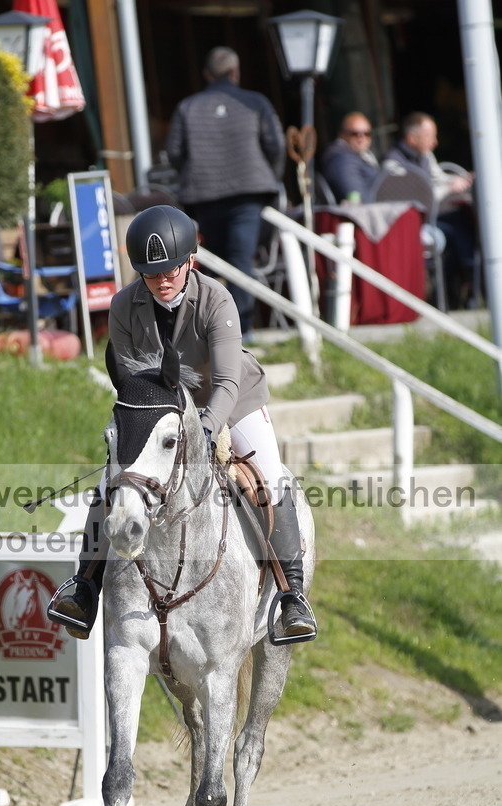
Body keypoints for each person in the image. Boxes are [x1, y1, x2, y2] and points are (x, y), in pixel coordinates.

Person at [50, 206, 316, 645]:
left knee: (269, 478)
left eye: (171, 268)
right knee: (115, 481)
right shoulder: (123, 306)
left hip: (231, 402)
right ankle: (84, 587)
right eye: (151, 273)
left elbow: (228, 381)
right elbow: (131, 382)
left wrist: (206, 432)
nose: (163, 280)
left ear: (190, 260)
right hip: (163, 408)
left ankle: (292, 598)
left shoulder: (217, 300)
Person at [164, 47, 285, 338]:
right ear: (235, 72)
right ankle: (242, 329)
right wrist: (272, 177)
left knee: (212, 262)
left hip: (205, 194)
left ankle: (212, 328)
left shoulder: (188, 106)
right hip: (249, 193)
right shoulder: (255, 102)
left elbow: (174, 152)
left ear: (207, 75)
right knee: (241, 260)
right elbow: (276, 145)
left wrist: (193, 174)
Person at [383, 112, 476, 306]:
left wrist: (462, 180)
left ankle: (467, 283)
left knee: (460, 220)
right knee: (455, 229)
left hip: (428, 221)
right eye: (430, 137)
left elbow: (438, 177)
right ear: (411, 138)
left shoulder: (424, 156)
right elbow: (417, 200)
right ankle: (467, 282)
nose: (435, 143)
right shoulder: (393, 164)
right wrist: (449, 188)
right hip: (406, 228)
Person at [321, 112, 382, 203]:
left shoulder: (362, 156)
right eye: (355, 134)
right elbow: (359, 199)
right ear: (342, 135)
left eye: (367, 133)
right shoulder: (343, 161)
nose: (361, 138)